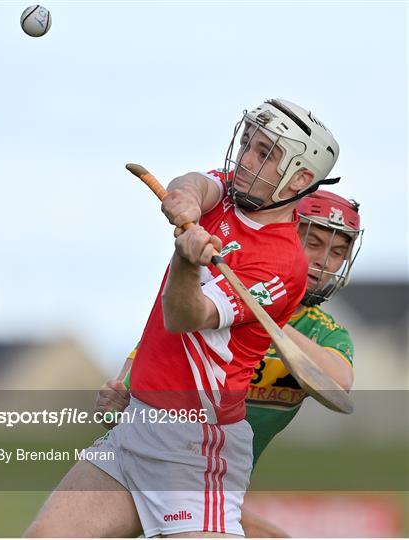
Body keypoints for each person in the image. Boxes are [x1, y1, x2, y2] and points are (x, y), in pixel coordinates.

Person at [25, 98, 340, 538]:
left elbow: (183, 316)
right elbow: (194, 182)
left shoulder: (282, 265)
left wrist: (186, 261)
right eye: (248, 142)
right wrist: (188, 200)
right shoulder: (234, 192)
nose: (247, 158)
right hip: (135, 431)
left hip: (193, 451)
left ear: (300, 179)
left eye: (264, 151)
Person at [95, 189, 363, 538]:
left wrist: (270, 310)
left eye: (337, 252)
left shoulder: (326, 333)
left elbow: (338, 383)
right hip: (169, 472)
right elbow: (119, 407)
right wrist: (110, 406)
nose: (323, 260)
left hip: (219, 485)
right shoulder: (212, 304)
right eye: (312, 242)